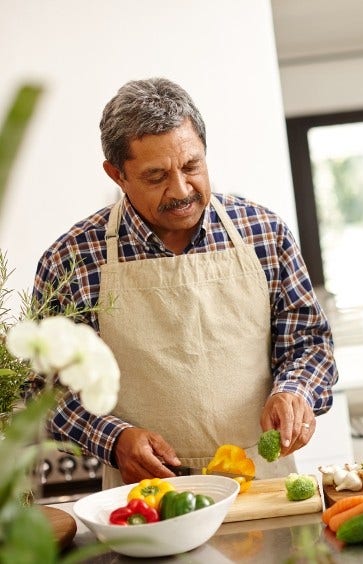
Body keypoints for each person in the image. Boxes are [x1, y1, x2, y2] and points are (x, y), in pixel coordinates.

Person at [31, 78, 338, 487]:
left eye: (192, 166)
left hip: (261, 480)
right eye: (156, 176)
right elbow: (49, 390)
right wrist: (115, 439)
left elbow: (309, 345)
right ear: (117, 175)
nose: (181, 190)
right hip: (145, 493)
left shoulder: (265, 233)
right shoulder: (69, 261)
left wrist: (295, 391)